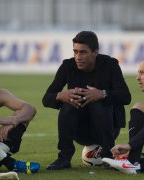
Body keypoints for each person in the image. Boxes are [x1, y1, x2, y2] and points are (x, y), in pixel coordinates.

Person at [42, 31, 131, 170]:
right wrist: (60, 95)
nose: (78, 57)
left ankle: (107, 157)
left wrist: (102, 94)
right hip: (80, 130)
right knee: (68, 104)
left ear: (95, 52)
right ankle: (64, 158)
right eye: (75, 52)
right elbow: (46, 98)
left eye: (83, 52)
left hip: (108, 127)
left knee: (98, 102)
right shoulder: (68, 66)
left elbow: (126, 96)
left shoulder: (110, 65)